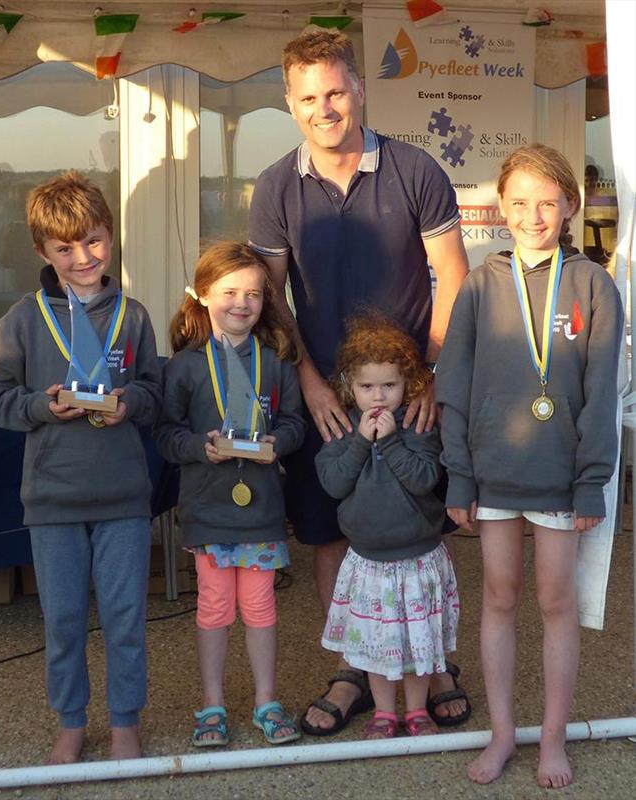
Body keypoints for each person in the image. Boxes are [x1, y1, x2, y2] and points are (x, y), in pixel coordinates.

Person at [248, 28, 470, 734]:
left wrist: (429, 372)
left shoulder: (415, 170)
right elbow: (271, 299)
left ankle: (431, 664)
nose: (325, 107)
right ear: (289, 102)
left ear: (359, 89)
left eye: (335, 91)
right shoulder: (275, 186)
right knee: (328, 532)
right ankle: (353, 667)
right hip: (326, 400)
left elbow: (454, 280)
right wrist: (309, 381)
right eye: (308, 96)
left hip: (407, 392)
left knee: (418, 530)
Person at [436, 144, 623, 788]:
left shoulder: (593, 284)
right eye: (519, 202)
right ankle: (502, 735)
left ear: (570, 206)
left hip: (561, 479)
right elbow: (453, 384)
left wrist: (591, 482)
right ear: (501, 207)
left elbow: (603, 393)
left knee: (555, 600)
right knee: (498, 597)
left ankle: (551, 740)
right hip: (492, 476)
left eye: (547, 202)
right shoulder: (483, 284)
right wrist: (458, 473)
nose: (533, 215)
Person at [0, 171, 162, 763]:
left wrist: (130, 403)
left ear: (111, 235)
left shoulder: (133, 315)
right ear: (42, 251)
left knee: (125, 617)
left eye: (95, 241)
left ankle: (127, 722)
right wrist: (42, 405)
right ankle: (72, 723)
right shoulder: (21, 320)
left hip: (123, 499)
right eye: (66, 248)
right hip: (53, 501)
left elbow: (154, 392)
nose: (84, 257)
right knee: (61, 620)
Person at [154, 242, 305, 747]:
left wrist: (276, 442)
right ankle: (212, 705)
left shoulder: (276, 361)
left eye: (254, 295)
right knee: (215, 607)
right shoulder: (185, 367)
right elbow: (166, 435)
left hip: (260, 511)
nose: (242, 304)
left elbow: (294, 425)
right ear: (202, 295)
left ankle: (267, 701)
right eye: (229, 293)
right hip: (208, 510)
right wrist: (202, 447)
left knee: (261, 607)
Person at [315, 316, 460, 740]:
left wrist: (391, 440)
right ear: (348, 386)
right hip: (369, 565)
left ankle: (415, 711)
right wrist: (363, 441)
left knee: (417, 645)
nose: (378, 397)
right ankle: (383, 712)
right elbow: (334, 483)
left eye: (389, 386)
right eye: (367, 387)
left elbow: (423, 479)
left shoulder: (418, 428)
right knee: (376, 645)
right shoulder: (342, 433)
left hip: (417, 560)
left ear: (407, 384)